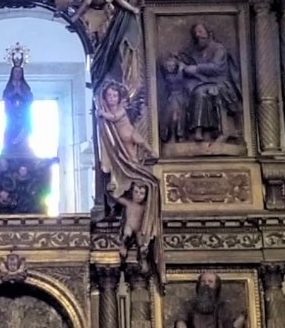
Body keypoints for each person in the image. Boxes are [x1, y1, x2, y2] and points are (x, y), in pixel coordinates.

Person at [94, 79, 163, 279]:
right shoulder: (108, 116)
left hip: (128, 140)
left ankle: (151, 151)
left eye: (115, 95)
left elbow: (114, 117)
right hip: (118, 147)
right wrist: (113, 196)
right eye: (109, 96)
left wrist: (102, 113)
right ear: (105, 98)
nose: (112, 98)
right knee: (126, 232)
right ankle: (127, 245)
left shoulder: (120, 110)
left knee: (135, 156)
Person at [179, 21, 242, 143]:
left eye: (200, 31)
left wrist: (196, 68)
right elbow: (188, 59)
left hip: (222, 85)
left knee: (200, 93)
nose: (197, 35)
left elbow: (217, 68)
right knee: (189, 90)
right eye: (195, 33)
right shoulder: (197, 51)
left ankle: (201, 130)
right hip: (204, 83)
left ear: (209, 33)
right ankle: (200, 132)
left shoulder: (219, 49)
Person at [157, 52, 190, 144]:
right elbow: (177, 80)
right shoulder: (169, 77)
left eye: (172, 66)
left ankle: (180, 135)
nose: (170, 68)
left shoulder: (179, 74)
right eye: (168, 66)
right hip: (173, 98)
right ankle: (172, 136)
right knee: (173, 116)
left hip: (181, 98)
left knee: (180, 116)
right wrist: (180, 68)